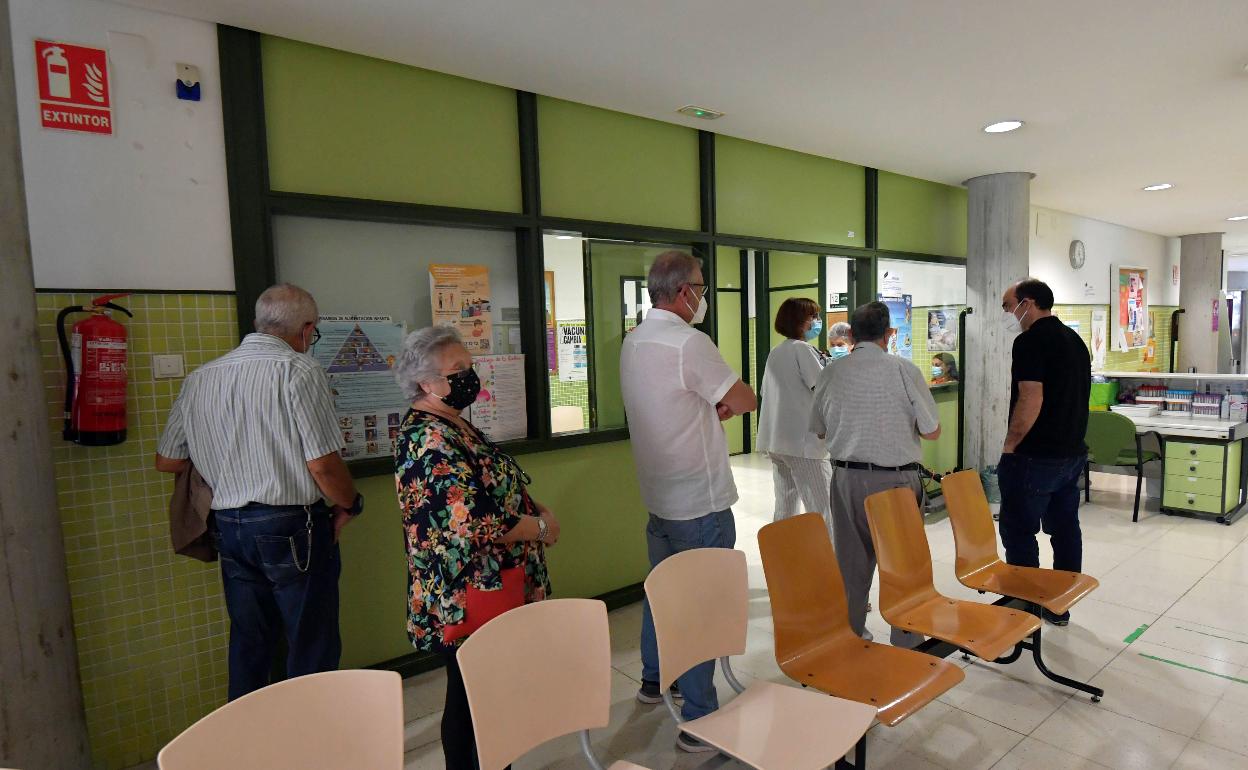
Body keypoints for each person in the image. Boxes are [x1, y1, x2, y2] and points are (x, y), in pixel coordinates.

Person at [154, 284, 362, 700]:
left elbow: (169, 460)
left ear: (259, 323)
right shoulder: (300, 371)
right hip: (291, 525)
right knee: (311, 643)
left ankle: (248, 746)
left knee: (250, 642)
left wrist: (227, 456)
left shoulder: (201, 378)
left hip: (228, 525)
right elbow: (322, 463)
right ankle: (313, 747)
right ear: (306, 330)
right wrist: (350, 504)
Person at [393, 325, 558, 770]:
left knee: (483, 689)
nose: (470, 376)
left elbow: (485, 486)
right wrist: (539, 528)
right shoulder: (428, 437)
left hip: (489, 584)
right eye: (457, 370)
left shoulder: (451, 422)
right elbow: (473, 520)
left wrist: (529, 504)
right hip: (467, 593)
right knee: (472, 694)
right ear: (426, 382)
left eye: (470, 366)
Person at [620, 250, 757, 753]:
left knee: (662, 593)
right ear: (684, 293)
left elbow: (673, 404)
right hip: (699, 502)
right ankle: (699, 719)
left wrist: (706, 405)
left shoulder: (633, 342)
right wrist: (719, 402)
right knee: (701, 608)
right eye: (701, 287)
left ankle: (655, 680)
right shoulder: (688, 342)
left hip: (659, 497)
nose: (702, 296)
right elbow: (745, 399)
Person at [810, 301, 941, 648]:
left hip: (846, 480)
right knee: (902, 567)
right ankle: (908, 642)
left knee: (851, 566)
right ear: (889, 334)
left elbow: (819, 429)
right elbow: (932, 431)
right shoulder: (903, 369)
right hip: (895, 483)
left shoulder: (831, 372)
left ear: (851, 335)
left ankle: (850, 638)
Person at [997, 278, 1091, 626]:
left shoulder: (1029, 342)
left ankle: (1026, 606)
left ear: (1028, 303)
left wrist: (1011, 444)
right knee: (1065, 529)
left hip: (1035, 456)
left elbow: (1030, 397)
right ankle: (1059, 605)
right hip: (1071, 454)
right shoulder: (1074, 340)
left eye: (1008, 305)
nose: (1008, 313)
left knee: (1019, 530)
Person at [755, 298, 833, 530]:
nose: (817, 322)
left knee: (785, 507)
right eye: (813, 317)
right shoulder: (802, 349)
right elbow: (822, 388)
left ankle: (784, 558)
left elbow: (764, 391)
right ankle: (829, 562)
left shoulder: (777, 351)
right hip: (803, 444)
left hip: (778, 442)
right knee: (824, 508)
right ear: (799, 321)